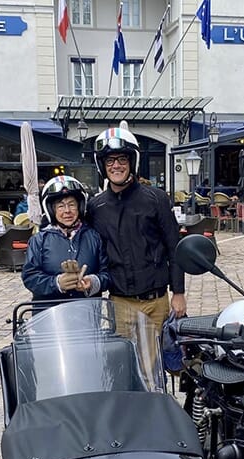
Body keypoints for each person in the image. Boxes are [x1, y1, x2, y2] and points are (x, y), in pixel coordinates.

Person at [86, 127, 186, 335]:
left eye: (122, 159)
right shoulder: (96, 207)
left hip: (156, 301)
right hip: (120, 302)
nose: (116, 166)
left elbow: (174, 248)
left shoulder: (156, 199)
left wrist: (179, 292)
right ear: (102, 166)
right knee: (124, 362)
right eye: (110, 161)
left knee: (156, 363)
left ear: (133, 162)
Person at [22, 176, 109, 302]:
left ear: (80, 207)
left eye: (72, 205)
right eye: (61, 206)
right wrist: (56, 283)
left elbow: (107, 274)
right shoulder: (39, 240)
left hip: (86, 312)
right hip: (49, 313)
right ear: (51, 210)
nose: (67, 211)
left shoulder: (95, 237)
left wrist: (93, 282)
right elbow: (29, 277)